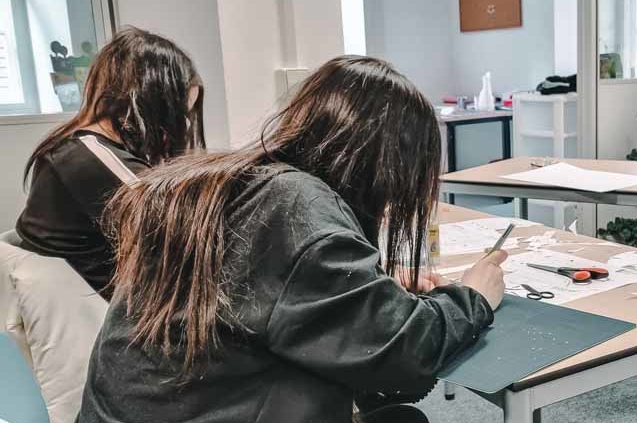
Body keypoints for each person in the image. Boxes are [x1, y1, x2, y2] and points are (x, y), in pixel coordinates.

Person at [76, 56, 506, 423]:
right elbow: (403, 356)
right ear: (384, 165)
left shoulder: (242, 184)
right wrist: (474, 296)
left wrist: (370, 285)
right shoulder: (295, 206)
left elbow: (269, 298)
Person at [17, 27, 205, 300]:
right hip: (112, 319)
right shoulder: (87, 158)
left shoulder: (76, 148)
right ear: (151, 102)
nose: (184, 125)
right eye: (179, 113)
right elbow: (181, 226)